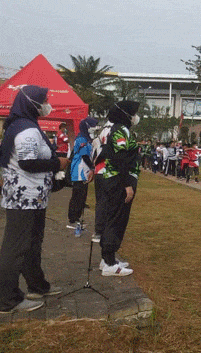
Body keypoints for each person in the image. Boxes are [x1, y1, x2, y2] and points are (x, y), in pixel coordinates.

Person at [0, 85, 69, 313]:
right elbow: (28, 163)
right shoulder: (26, 130)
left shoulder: (24, 125)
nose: (49, 104)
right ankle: (9, 299)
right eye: (45, 100)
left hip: (32, 198)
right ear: (32, 103)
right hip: (24, 198)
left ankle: (37, 285)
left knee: (31, 245)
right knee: (16, 248)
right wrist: (57, 163)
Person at [94, 101, 141, 277]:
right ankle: (109, 262)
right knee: (116, 219)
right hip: (117, 181)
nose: (136, 116)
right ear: (126, 114)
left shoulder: (119, 129)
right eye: (134, 113)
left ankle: (108, 257)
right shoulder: (120, 130)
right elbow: (119, 158)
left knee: (115, 217)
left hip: (115, 179)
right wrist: (127, 184)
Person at [67, 116, 99, 231]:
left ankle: (78, 217)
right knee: (77, 195)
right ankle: (72, 218)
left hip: (84, 171)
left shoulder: (87, 139)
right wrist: (92, 167)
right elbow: (84, 156)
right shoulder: (81, 139)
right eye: (92, 126)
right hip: (79, 170)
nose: (94, 128)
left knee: (82, 196)